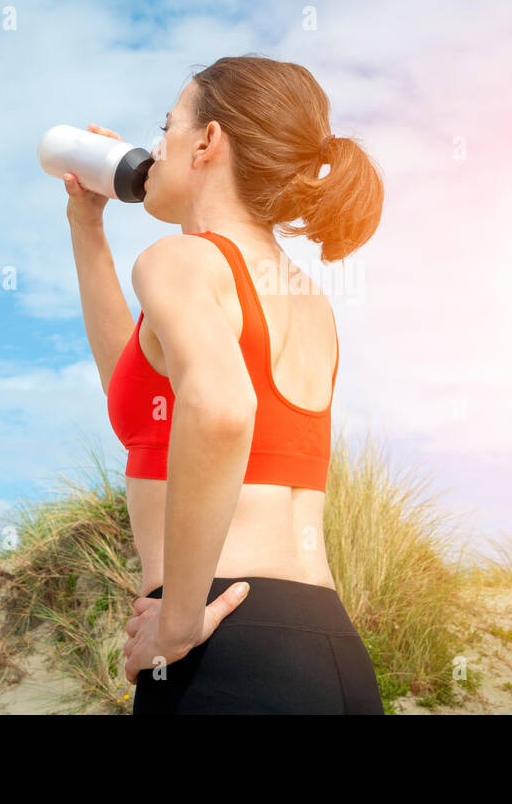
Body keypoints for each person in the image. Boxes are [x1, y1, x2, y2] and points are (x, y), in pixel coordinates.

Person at [64, 54, 386, 714]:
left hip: (222, 650)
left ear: (209, 142)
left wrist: (178, 618)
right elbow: (143, 389)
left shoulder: (181, 260)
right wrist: (86, 227)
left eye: (169, 125)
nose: (155, 148)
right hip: (331, 651)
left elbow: (220, 409)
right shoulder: (306, 299)